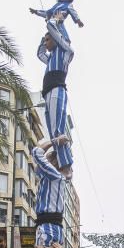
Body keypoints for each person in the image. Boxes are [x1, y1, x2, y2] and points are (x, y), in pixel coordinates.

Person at [35, 24, 75, 171]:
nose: (46, 43)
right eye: (45, 40)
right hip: (48, 93)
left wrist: (55, 22)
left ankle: (66, 164)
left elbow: (63, 39)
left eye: (48, 40)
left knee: (57, 130)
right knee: (53, 131)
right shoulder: (50, 59)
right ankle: (60, 160)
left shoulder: (65, 55)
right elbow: (40, 54)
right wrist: (42, 40)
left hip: (57, 90)